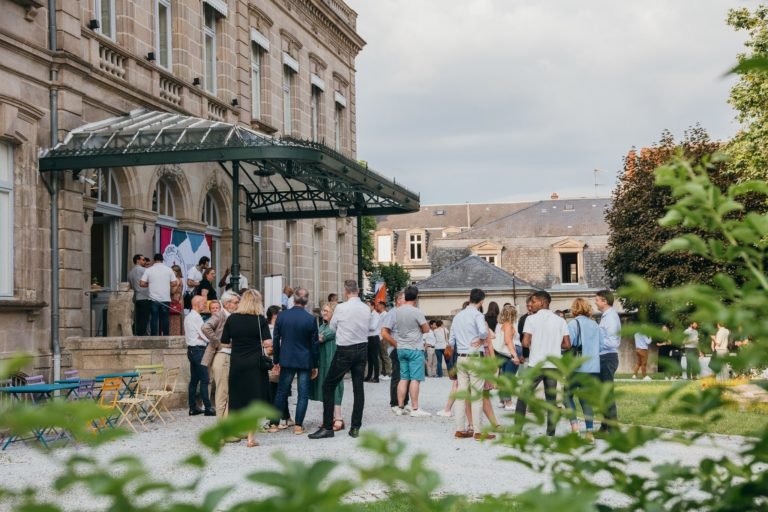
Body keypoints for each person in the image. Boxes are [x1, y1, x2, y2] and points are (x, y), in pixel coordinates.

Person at [309, 280, 369, 440]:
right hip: (362, 348)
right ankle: (356, 426)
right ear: (357, 290)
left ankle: (328, 426)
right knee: (358, 388)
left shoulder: (341, 308)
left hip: (345, 349)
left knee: (328, 386)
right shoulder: (366, 308)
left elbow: (333, 328)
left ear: (346, 291)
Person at [516, 290, 570, 437]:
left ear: (542, 302)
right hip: (553, 365)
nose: (530, 305)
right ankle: (550, 433)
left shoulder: (531, 319)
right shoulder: (560, 320)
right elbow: (567, 344)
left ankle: (517, 431)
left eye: (533, 302)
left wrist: (537, 343)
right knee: (551, 400)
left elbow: (525, 343)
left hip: (536, 364)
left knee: (523, 396)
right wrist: (553, 344)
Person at [222, 289, 272, 448]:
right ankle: (250, 438)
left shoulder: (232, 319)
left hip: (237, 363)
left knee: (235, 397)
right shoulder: (260, 320)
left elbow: (224, 342)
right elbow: (268, 343)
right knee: (254, 399)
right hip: (254, 364)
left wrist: (238, 345)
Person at [270, 288, 319, 435]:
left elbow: (276, 340)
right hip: (304, 360)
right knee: (302, 393)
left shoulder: (282, 316)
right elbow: (314, 345)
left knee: (281, 392)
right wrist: (315, 364)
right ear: (307, 300)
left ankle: (274, 423)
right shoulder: (310, 319)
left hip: (287, 358)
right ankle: (298, 425)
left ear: (294, 299)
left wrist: (276, 360)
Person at [449, 288, 493, 439]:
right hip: (474, 356)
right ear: (482, 301)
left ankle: (460, 429)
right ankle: (478, 431)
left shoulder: (458, 316)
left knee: (461, 393)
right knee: (476, 394)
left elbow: (451, 340)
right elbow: (483, 332)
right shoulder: (478, 315)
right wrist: (480, 339)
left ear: (469, 298)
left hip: (461, 356)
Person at [381, 286, 431, 417]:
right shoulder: (416, 312)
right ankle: (415, 408)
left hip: (401, 348)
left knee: (403, 378)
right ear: (416, 297)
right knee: (415, 379)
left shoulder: (396, 312)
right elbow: (426, 329)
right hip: (414, 347)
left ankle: (400, 405)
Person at [564, 298, 601, 442]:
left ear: (574, 309)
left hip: (577, 366)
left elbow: (569, 343)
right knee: (586, 400)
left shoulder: (573, 324)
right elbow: (601, 345)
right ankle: (590, 433)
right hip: (592, 367)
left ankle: (575, 428)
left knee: (567, 396)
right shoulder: (595, 324)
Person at [201, 291, 241, 418]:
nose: (238, 305)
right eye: (235, 302)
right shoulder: (220, 314)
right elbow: (205, 327)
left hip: (232, 356)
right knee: (222, 392)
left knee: (231, 392)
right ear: (227, 303)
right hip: (222, 355)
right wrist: (218, 343)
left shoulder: (235, 316)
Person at [310, 302, 345, 431]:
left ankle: (339, 418)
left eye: (326, 311)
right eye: (323, 311)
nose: (323, 313)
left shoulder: (334, 326)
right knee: (326, 390)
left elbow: (320, 338)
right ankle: (328, 418)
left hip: (333, 361)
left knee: (335, 389)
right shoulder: (323, 325)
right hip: (324, 362)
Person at [184, 295, 214, 416]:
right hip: (197, 350)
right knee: (204, 379)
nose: (205, 305)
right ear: (197, 303)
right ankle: (208, 408)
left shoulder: (191, 316)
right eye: (203, 303)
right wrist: (212, 340)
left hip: (193, 350)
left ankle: (193, 408)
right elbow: (203, 334)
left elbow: (200, 334)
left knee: (195, 380)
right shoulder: (195, 317)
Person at [595, 289, 620, 433]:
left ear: (604, 301)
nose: (595, 302)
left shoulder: (610, 317)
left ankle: (613, 428)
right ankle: (605, 425)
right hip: (603, 357)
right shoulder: (606, 316)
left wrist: (595, 342)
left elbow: (612, 342)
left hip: (607, 357)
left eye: (597, 299)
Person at [265, 305, 292, 428]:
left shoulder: (282, 327)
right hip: (270, 360)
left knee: (282, 390)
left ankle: (283, 417)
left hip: (281, 359)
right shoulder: (267, 328)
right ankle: (279, 417)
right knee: (274, 390)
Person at [139, 253, 179, 336]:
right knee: (165, 319)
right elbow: (175, 283)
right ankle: (166, 336)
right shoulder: (168, 270)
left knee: (154, 319)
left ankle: (154, 337)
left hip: (153, 299)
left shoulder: (149, 270)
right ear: (162, 260)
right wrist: (167, 284)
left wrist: (149, 284)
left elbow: (142, 283)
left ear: (154, 260)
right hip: (165, 298)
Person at [383, 291, 409, 411]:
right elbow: (384, 333)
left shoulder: (407, 313)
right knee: (397, 376)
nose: (407, 300)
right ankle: (394, 402)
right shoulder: (392, 314)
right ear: (398, 300)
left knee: (406, 376)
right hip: (396, 348)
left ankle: (405, 400)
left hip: (407, 348)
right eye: (404, 298)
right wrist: (397, 345)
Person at [496, 305, 523, 410]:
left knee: (504, 377)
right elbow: (508, 341)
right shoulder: (509, 325)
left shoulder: (501, 325)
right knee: (509, 378)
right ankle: (508, 402)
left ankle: (503, 400)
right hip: (509, 353)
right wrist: (515, 356)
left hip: (503, 353)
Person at [128, 254, 151, 336]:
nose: (145, 261)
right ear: (138, 260)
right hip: (145, 297)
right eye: (143, 259)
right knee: (144, 318)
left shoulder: (130, 272)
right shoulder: (144, 270)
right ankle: (142, 335)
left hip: (136, 297)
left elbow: (130, 286)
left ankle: (137, 333)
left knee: (138, 318)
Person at [365, 300, 385, 383]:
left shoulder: (376, 315)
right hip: (368, 338)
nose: (367, 307)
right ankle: (369, 376)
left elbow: (373, 327)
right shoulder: (369, 315)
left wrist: (364, 325)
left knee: (374, 358)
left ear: (373, 306)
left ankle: (376, 377)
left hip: (374, 338)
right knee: (369, 358)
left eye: (368, 305)